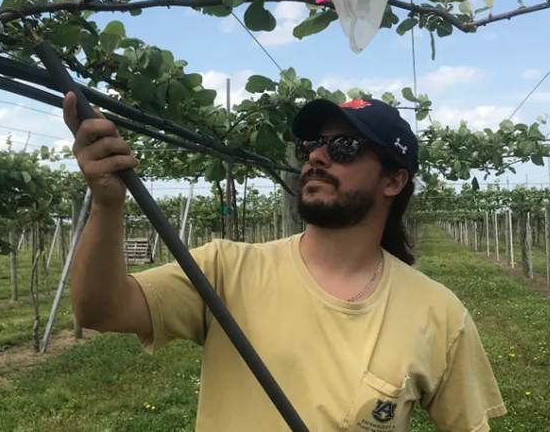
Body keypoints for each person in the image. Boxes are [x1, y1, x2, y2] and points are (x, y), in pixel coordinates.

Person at [63, 93, 507, 431]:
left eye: (345, 146)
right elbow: (101, 309)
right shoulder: (224, 268)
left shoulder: (439, 313)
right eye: (312, 145)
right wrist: (107, 204)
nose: (316, 156)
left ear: (394, 180)